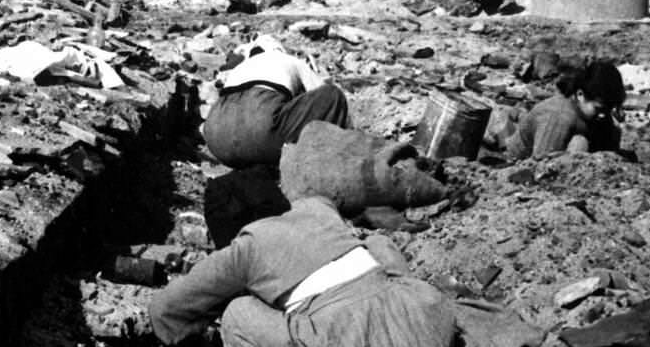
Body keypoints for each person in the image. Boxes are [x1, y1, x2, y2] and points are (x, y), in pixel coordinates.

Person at [142, 193, 457, 347]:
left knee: (239, 313)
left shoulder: (248, 245)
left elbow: (166, 310)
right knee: (376, 246)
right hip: (421, 318)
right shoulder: (318, 210)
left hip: (344, 335)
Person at [201, 37, 350, 169]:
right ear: (278, 49)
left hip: (217, 140)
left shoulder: (239, 68)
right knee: (332, 95)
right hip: (260, 127)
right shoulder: (289, 60)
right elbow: (320, 92)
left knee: (263, 133)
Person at [505, 62, 627, 159]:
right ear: (580, 95)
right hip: (518, 166)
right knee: (579, 143)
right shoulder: (558, 116)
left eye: (608, 109)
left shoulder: (597, 115)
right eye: (598, 108)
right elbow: (541, 162)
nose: (603, 115)